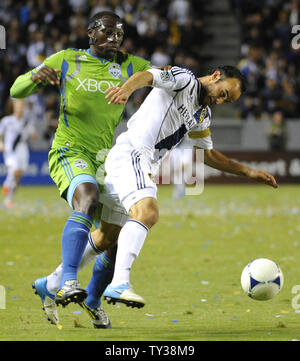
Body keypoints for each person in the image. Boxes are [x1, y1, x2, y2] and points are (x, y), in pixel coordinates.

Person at [82, 64, 278, 309]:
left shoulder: (202, 114)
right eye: (224, 93)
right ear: (216, 76)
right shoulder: (183, 79)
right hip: (133, 154)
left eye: (226, 101)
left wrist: (248, 171)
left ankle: (55, 280)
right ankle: (119, 283)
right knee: (148, 213)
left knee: (107, 237)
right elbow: (148, 76)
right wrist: (126, 89)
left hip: (140, 163)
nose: (219, 101)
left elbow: (207, 154)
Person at [10, 11, 153, 328]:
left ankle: (84, 296)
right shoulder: (66, 59)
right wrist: (34, 77)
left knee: (116, 236)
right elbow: (15, 91)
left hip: (107, 158)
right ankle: (68, 282)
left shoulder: (131, 65)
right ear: (91, 33)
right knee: (86, 197)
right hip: (69, 150)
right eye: (108, 32)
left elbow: (163, 76)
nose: (115, 38)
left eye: (120, 33)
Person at [0, 98, 37, 208]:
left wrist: (32, 134)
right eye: (18, 105)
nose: (20, 107)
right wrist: (1, 143)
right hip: (10, 149)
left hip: (23, 149)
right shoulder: (6, 120)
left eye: (22, 105)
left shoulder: (26, 122)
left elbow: (34, 135)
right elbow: (0, 134)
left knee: (18, 177)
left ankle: (9, 199)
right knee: (14, 170)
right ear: (14, 106)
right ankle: (6, 186)